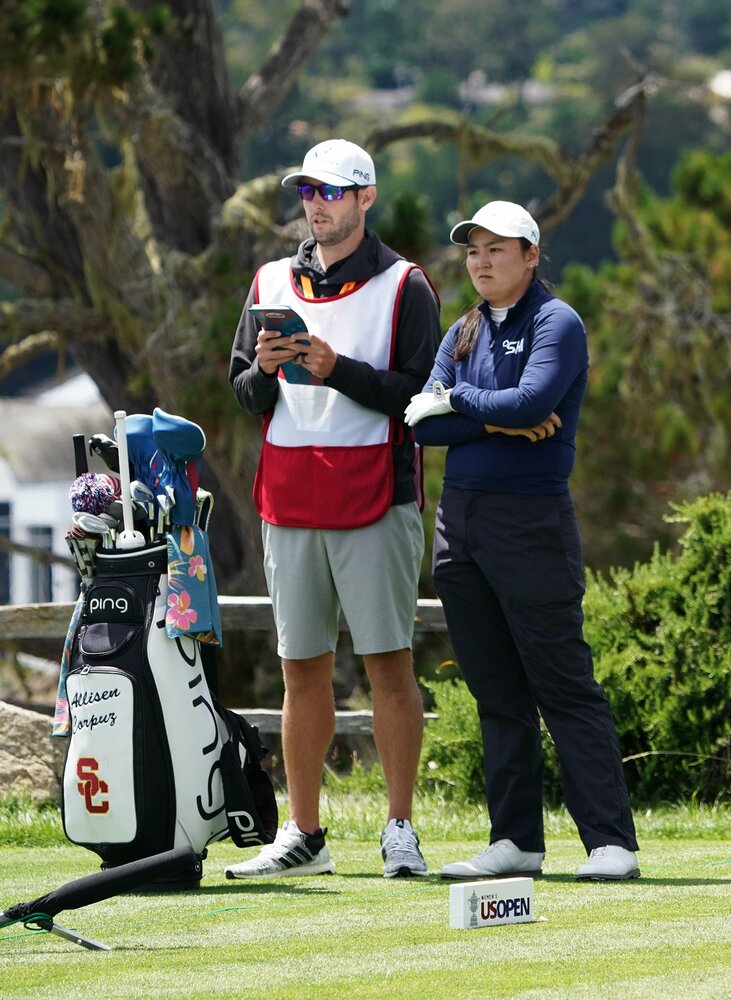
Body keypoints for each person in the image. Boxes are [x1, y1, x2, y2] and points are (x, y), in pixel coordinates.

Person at [406, 200, 640, 882]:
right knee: (497, 691)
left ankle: (609, 843)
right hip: (462, 523)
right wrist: (497, 417)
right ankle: (516, 841)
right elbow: (422, 424)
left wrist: (467, 403)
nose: (480, 261)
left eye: (496, 249)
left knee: (562, 683)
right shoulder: (464, 331)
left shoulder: (557, 323)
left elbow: (533, 403)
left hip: (531, 523)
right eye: (473, 250)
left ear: (531, 256)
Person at [227, 139, 439, 879]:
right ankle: (305, 835)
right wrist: (267, 368)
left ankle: (401, 829)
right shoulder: (270, 280)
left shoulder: (407, 285)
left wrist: (335, 369)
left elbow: (420, 400)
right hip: (290, 495)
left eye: (332, 191)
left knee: (387, 667)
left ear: (365, 198)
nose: (317, 204)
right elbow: (244, 393)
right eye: (308, 191)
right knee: (301, 670)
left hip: (377, 495)